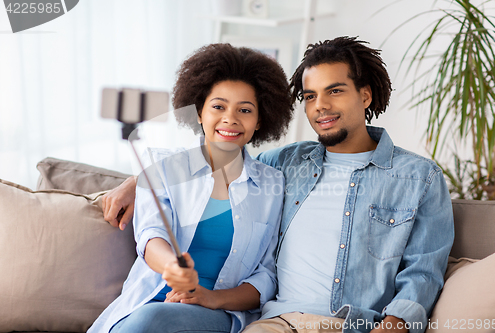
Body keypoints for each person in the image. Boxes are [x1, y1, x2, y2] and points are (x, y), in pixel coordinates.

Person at [102, 37, 454, 333]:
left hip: (352, 324)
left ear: (365, 95)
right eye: (311, 96)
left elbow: (424, 270)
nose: (321, 107)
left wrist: (394, 325)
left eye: (334, 91)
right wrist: (137, 181)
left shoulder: (419, 178)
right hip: (276, 322)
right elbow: (220, 159)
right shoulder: (287, 164)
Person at [89, 43, 294, 333]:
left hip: (215, 313)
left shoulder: (272, 185)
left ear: (260, 120)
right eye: (218, 106)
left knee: (155, 320)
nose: (230, 119)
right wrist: (171, 267)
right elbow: (151, 235)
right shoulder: (161, 167)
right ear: (199, 112)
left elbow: (265, 276)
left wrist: (210, 298)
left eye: (244, 110)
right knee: (149, 318)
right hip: (147, 302)